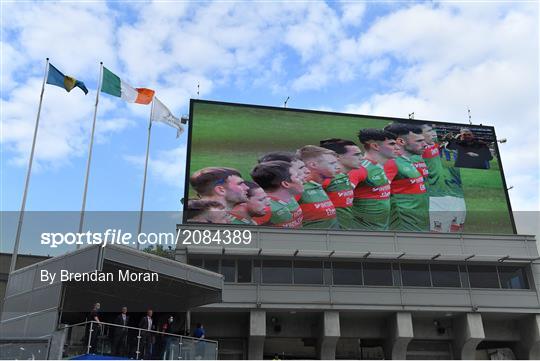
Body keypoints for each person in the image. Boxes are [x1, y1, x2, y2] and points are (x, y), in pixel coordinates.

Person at [420, 124, 466, 232]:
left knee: (456, 226)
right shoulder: (422, 150)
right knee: (438, 230)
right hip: (435, 195)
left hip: (454, 194)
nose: (433, 134)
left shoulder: (450, 151)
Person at [384, 123, 429, 232]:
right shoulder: (390, 163)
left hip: (419, 226)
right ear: (401, 141)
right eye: (419, 141)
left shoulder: (407, 161)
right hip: (403, 229)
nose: (425, 144)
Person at [354, 129, 400, 230]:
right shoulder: (360, 169)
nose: (397, 147)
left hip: (382, 231)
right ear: (375, 146)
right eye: (392, 144)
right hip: (363, 235)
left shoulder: (387, 166)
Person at [319, 138, 367, 229]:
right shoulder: (326, 179)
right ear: (338, 157)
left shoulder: (345, 177)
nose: (362, 157)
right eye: (356, 155)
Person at [296, 145, 340, 229]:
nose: (338, 167)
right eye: (332, 163)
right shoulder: (300, 189)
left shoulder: (318, 185)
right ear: (313, 165)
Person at [251, 160, 304, 228]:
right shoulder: (265, 208)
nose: (302, 178)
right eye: (297, 177)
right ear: (286, 184)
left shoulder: (290, 197)